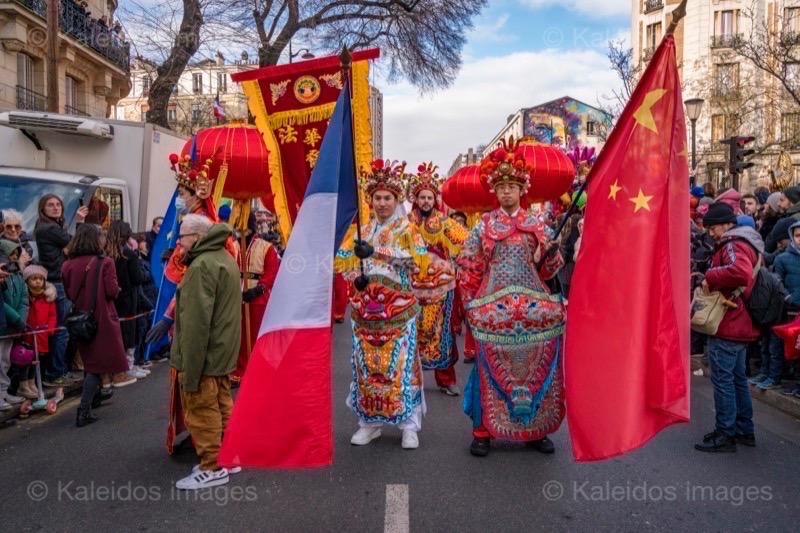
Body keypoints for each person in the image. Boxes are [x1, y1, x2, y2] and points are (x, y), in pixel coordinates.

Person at [456, 140, 565, 457]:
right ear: (495, 190)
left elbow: (546, 272)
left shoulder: (537, 226)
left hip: (534, 309)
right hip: (492, 309)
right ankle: (483, 430)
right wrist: (470, 306)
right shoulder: (483, 227)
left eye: (512, 187)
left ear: (522, 191)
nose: (506, 192)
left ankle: (535, 429)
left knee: (534, 369)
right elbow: (470, 267)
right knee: (486, 369)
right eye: (501, 186)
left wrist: (552, 255)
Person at [335, 159, 429, 450]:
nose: (382, 203)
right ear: (370, 200)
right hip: (366, 314)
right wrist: (356, 277)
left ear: (396, 199)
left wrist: (379, 252)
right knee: (366, 369)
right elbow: (343, 262)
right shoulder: (362, 230)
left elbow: (416, 262)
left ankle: (408, 426)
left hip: (399, 312)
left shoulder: (407, 229)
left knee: (401, 367)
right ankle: (370, 423)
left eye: (388, 198)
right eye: (377, 197)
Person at [171, 215, 242, 490]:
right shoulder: (222, 257)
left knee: (202, 406)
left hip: (206, 351)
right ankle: (229, 455)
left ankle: (212, 465)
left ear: (198, 238)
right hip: (221, 349)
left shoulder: (202, 265)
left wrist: (191, 365)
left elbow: (196, 322)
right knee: (222, 403)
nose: (179, 243)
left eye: (183, 237)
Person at [695, 203, 760, 452]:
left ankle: (725, 433)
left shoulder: (733, 243)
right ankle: (744, 429)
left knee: (723, 380)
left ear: (726, 224)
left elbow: (740, 272)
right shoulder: (745, 241)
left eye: (713, 227)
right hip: (741, 322)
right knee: (737, 380)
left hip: (730, 321)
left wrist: (709, 276)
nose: (711, 233)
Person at [406, 163, 468, 396]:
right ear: (416, 199)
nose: (425, 202)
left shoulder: (445, 222)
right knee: (411, 332)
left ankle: (446, 379)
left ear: (435, 199)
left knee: (443, 333)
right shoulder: (406, 223)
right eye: (422, 197)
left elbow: (467, 245)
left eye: (429, 198)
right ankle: (413, 381)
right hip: (411, 288)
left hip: (441, 289)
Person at [62, 224, 132, 426]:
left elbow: (68, 293)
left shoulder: (67, 264)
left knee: (90, 358)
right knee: (96, 364)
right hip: (101, 316)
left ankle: (95, 397)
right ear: (95, 240)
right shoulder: (105, 262)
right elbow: (112, 291)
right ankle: (83, 409)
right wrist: (117, 289)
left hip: (80, 317)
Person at [34, 194, 88, 386]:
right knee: (61, 329)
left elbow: (70, 247)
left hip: (60, 280)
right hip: (57, 282)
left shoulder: (52, 227)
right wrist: (80, 222)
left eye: (58, 205)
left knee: (61, 328)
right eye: (51, 205)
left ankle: (58, 371)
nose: (56, 208)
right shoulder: (48, 228)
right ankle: (55, 373)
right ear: (43, 209)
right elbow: (76, 245)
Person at [752, 220, 800, 391]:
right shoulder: (783, 258)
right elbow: (777, 280)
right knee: (776, 345)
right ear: (791, 237)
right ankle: (773, 376)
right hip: (785, 310)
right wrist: (786, 296)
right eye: (797, 235)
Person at [235, 213, 278, 383]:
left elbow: (270, 272)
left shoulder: (266, 247)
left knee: (254, 335)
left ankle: (255, 368)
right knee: (236, 335)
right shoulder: (232, 245)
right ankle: (238, 368)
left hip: (257, 298)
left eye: (241, 225)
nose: (238, 230)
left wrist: (258, 289)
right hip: (235, 296)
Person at [106, 221, 147, 380]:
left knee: (117, 333)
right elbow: (137, 278)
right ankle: (128, 366)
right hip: (129, 297)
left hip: (113, 298)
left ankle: (119, 367)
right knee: (130, 332)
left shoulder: (106, 252)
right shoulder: (128, 254)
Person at [18, 265, 57, 400]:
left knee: (36, 359)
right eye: (34, 279)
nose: (38, 281)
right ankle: (23, 385)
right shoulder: (25, 296)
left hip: (41, 334)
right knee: (25, 359)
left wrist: (50, 329)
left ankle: (32, 382)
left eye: (41, 279)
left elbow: (52, 315)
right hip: (27, 333)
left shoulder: (47, 297)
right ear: (27, 281)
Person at [0, 240, 29, 409]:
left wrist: (21, 320)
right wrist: (16, 319)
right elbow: (2, 303)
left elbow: (24, 299)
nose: (15, 258)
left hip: (12, 325)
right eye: (11, 254)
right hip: (5, 322)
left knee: (5, 361)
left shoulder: (18, 276)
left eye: (16, 255)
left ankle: (4, 393)